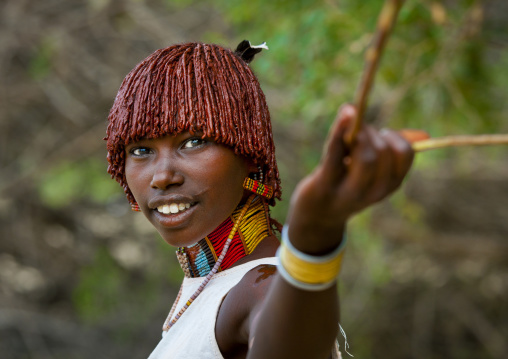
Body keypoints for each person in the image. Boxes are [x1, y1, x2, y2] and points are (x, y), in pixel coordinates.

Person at [105, 41, 419, 359]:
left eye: (193, 142)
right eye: (141, 150)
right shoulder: (210, 284)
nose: (161, 176)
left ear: (250, 153)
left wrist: (316, 234)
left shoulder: (265, 286)